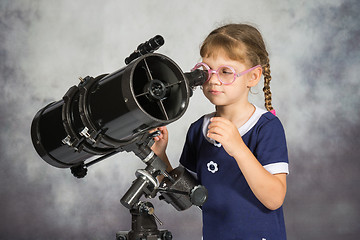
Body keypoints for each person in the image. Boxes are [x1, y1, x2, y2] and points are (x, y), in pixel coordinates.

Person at [151, 23, 289, 240]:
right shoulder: (199, 130)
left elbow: (274, 199)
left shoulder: (267, 127)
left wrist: (238, 148)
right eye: (206, 71)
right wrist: (160, 157)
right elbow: (188, 197)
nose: (213, 80)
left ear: (252, 77)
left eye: (226, 72)